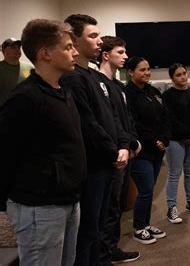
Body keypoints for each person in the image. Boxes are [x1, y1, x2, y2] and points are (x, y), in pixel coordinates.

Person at [0, 19, 85, 265]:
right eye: (68, 47)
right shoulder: (25, 98)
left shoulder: (62, 90)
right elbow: (5, 153)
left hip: (68, 199)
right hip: (40, 206)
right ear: (45, 53)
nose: (75, 52)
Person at [62, 14, 130, 266]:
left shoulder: (93, 76)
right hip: (93, 166)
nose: (100, 41)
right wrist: (114, 152)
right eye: (93, 36)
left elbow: (112, 115)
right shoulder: (72, 78)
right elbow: (89, 124)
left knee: (100, 225)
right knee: (88, 231)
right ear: (74, 41)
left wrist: (123, 144)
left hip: (108, 162)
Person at [97, 36, 141, 263]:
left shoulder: (118, 86)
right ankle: (105, 253)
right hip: (113, 154)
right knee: (110, 208)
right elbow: (107, 123)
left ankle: (111, 248)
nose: (125, 57)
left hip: (126, 149)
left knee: (118, 206)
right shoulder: (98, 84)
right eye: (120, 52)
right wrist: (122, 146)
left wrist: (132, 141)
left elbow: (125, 118)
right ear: (106, 55)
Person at [125, 57, 170, 243]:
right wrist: (154, 141)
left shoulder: (153, 92)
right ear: (130, 72)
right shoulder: (126, 94)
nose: (147, 73)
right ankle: (138, 228)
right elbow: (133, 123)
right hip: (141, 151)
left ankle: (146, 224)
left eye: (148, 69)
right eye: (142, 70)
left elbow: (165, 117)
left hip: (158, 150)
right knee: (144, 189)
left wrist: (164, 139)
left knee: (149, 189)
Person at [162, 63, 190, 224]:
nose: (183, 77)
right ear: (172, 78)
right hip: (175, 140)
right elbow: (171, 120)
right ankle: (171, 208)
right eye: (178, 75)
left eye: (184, 73)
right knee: (175, 173)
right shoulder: (167, 96)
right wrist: (188, 133)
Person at [0, 38, 34, 105]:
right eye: (13, 47)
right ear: (3, 51)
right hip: (5, 112)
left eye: (18, 47)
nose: (17, 50)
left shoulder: (30, 68)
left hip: (27, 110)